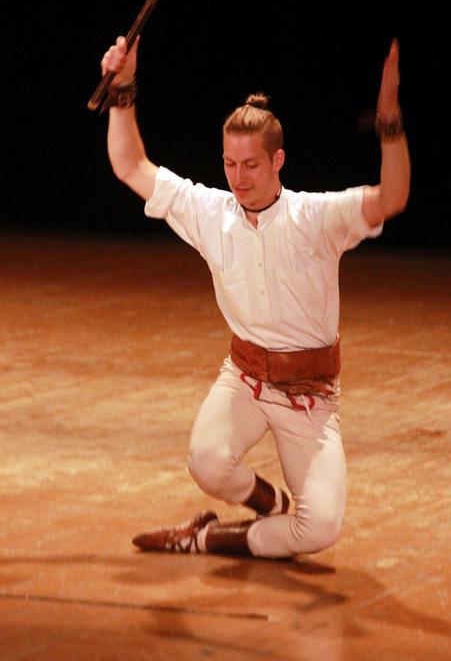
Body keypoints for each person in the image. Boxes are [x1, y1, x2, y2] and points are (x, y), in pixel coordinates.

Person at [100, 35, 411, 559]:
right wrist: (123, 90)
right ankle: (272, 506)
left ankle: (205, 537)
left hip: (309, 393)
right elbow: (130, 165)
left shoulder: (316, 218)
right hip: (244, 379)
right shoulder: (210, 213)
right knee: (206, 462)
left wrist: (389, 121)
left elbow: (393, 197)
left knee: (319, 531)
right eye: (230, 164)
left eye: (251, 165)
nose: (238, 178)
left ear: (277, 160)